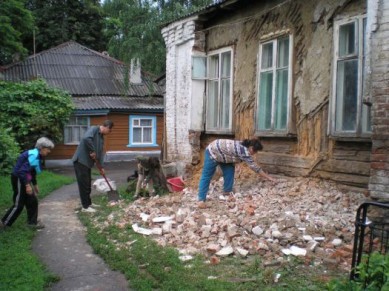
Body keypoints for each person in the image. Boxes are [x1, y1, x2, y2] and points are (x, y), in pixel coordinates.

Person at [197, 138, 276, 209]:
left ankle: (227, 192)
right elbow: (255, 168)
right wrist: (269, 177)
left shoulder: (244, 145)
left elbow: (233, 153)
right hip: (213, 151)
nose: (254, 154)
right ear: (251, 148)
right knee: (207, 175)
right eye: (255, 151)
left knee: (230, 171)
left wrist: (237, 164)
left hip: (224, 155)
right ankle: (201, 200)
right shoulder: (245, 151)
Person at [1, 137, 55, 229]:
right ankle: (4, 224)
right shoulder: (34, 155)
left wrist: (34, 184)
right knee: (19, 204)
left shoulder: (37, 155)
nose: (49, 151)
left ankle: (32, 223)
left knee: (32, 201)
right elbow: (22, 171)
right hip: (19, 178)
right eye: (48, 149)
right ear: (42, 148)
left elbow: (31, 171)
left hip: (25, 177)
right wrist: (27, 185)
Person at [72, 120, 114, 213]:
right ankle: (85, 207)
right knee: (84, 184)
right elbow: (86, 138)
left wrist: (101, 167)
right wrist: (92, 150)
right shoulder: (94, 129)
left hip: (87, 163)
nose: (109, 133)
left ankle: (88, 203)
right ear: (106, 127)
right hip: (81, 161)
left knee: (87, 184)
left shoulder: (101, 138)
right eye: (110, 130)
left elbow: (100, 154)